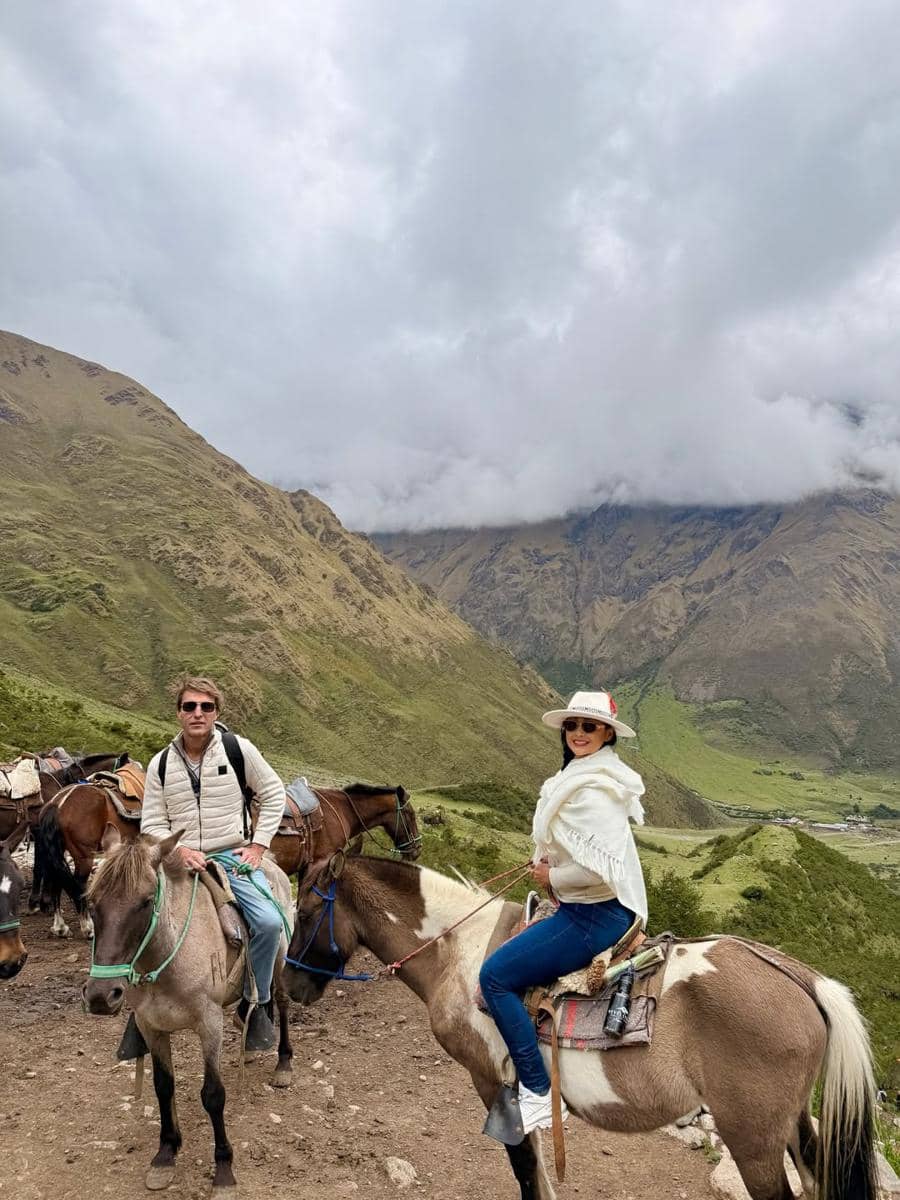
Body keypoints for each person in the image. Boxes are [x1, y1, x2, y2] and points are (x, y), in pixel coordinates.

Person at [479, 690, 647, 1134]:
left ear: (607, 733)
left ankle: (536, 1092)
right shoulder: (591, 775)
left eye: (589, 727)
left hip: (592, 916)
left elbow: (599, 871)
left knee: (494, 978)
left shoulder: (594, 788)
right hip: (590, 909)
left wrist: (550, 879)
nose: (578, 734)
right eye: (572, 726)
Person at [141, 676, 286, 1050]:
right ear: (178, 713)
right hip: (178, 860)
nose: (197, 713)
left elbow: (273, 793)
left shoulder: (239, 750)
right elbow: (152, 823)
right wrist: (177, 851)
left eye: (206, 706)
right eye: (189, 706)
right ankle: (137, 1008)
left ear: (216, 712)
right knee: (130, 916)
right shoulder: (160, 764)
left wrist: (258, 846)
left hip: (228, 856)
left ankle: (256, 1003)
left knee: (269, 924)